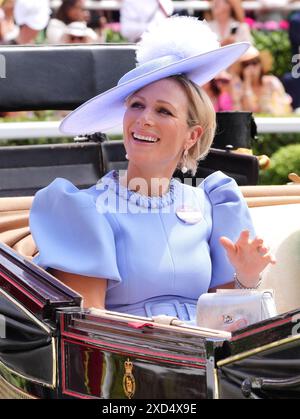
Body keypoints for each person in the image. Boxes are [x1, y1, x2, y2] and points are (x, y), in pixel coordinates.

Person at [30, 17, 275, 326]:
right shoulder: (83, 209)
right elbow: (88, 329)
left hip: (208, 358)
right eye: (136, 105)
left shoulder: (213, 201)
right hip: (132, 363)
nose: (143, 119)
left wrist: (247, 278)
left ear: (192, 136)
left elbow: (229, 320)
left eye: (163, 111)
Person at [234, 46, 292, 115]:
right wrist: (247, 82)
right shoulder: (239, 87)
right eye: (246, 64)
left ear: (260, 64)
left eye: (254, 62)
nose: (251, 68)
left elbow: (284, 107)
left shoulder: (272, 82)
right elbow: (249, 110)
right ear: (241, 68)